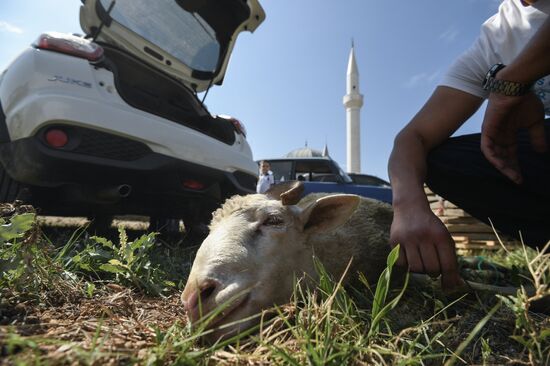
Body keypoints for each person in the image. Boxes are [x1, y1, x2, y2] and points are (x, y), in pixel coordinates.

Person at [388, 0, 550, 290]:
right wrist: (408, 205)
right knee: (445, 160)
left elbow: (509, 82)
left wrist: (511, 80)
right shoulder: (498, 35)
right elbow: (412, 138)